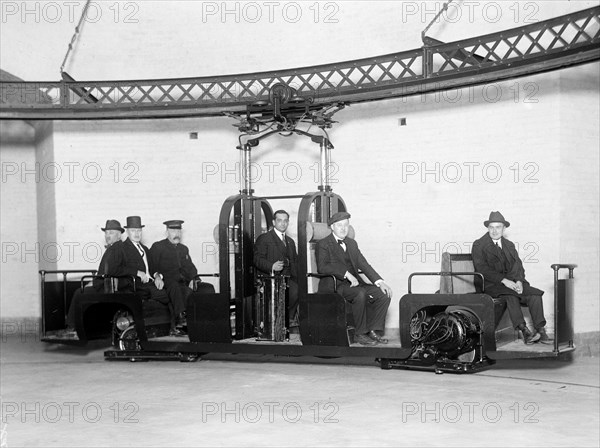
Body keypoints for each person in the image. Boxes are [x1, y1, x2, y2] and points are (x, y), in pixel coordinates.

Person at [472, 211, 551, 345]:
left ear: (504, 228)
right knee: (510, 296)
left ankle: (540, 330)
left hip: (511, 283)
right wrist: (504, 281)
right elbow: (482, 269)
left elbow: (518, 266)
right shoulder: (479, 244)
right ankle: (524, 331)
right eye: (491, 227)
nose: (494, 230)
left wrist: (519, 281)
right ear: (487, 228)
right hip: (491, 285)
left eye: (498, 227)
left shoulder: (509, 245)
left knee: (534, 294)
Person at [316, 211, 392, 346]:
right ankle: (360, 334)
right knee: (359, 293)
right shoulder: (323, 244)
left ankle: (373, 331)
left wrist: (380, 282)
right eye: (339, 225)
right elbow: (322, 267)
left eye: (346, 225)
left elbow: (364, 264)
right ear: (332, 227)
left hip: (355, 285)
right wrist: (346, 274)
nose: (343, 228)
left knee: (383, 294)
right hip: (335, 286)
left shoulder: (352, 244)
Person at [61, 219, 127, 338]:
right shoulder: (113, 248)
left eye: (111, 233)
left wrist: (94, 283)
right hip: (105, 284)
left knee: (79, 293)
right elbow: (105, 271)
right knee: (82, 291)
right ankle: (78, 327)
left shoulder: (117, 249)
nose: (107, 236)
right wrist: (94, 282)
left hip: (109, 288)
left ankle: (72, 327)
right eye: (106, 233)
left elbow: (111, 272)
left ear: (119, 234)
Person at [121, 216, 180, 335]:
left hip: (151, 283)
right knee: (167, 295)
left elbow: (153, 268)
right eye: (133, 230)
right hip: (137, 285)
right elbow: (119, 268)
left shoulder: (145, 249)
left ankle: (172, 326)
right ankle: (173, 326)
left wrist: (157, 276)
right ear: (127, 232)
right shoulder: (123, 249)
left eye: (139, 230)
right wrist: (137, 272)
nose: (137, 234)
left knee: (171, 290)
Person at [253, 210, 299, 329]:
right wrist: (271, 266)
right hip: (271, 278)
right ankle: (281, 322)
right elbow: (257, 259)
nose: (283, 223)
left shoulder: (290, 241)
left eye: (285, 221)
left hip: (289, 278)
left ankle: (288, 319)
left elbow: (295, 261)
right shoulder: (264, 238)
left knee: (298, 291)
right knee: (289, 293)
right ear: (274, 222)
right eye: (279, 220)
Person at [150, 220, 198, 333]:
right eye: (173, 231)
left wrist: (194, 278)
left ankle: (186, 323)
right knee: (175, 287)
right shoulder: (158, 247)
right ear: (167, 232)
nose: (176, 234)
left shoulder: (183, 248)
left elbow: (189, 266)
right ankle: (180, 319)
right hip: (166, 281)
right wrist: (157, 276)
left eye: (178, 230)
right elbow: (152, 266)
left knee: (188, 291)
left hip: (182, 282)